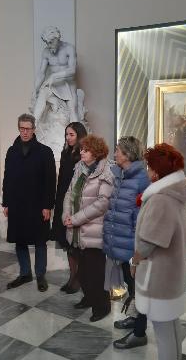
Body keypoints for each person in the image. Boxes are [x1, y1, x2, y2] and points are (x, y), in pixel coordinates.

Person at [131, 143, 186, 360]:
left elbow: (148, 242)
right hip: (172, 274)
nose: (147, 171)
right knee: (172, 327)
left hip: (159, 277)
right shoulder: (175, 195)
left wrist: (135, 260)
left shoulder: (161, 199)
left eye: (149, 167)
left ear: (156, 171)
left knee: (164, 333)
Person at [102, 136, 151, 349]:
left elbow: (141, 219)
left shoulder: (141, 179)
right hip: (121, 242)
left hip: (131, 245)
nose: (115, 154)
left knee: (139, 289)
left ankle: (139, 333)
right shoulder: (122, 175)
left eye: (118, 151)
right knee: (132, 288)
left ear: (128, 154)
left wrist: (136, 251)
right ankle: (134, 318)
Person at [2, 114, 56, 292]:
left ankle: (40, 275)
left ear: (34, 129)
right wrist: (6, 203)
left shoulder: (45, 152)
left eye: (28, 128)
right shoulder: (12, 151)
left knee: (40, 241)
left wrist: (48, 205)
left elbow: (50, 181)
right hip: (17, 204)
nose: (24, 132)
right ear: (19, 129)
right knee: (20, 240)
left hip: (38, 204)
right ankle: (25, 273)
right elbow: (7, 178)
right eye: (22, 128)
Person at [62, 135, 114, 322]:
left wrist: (75, 219)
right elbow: (69, 193)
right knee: (82, 272)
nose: (81, 152)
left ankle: (102, 306)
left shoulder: (106, 172)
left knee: (95, 273)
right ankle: (88, 298)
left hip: (93, 231)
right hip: (76, 230)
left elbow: (102, 204)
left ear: (96, 152)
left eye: (85, 149)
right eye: (81, 149)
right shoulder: (79, 168)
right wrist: (66, 215)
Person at [51, 122, 88, 294]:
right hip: (63, 201)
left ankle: (78, 278)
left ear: (80, 135)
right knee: (67, 243)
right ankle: (72, 277)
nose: (68, 138)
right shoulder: (65, 152)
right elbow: (62, 179)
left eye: (71, 134)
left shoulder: (84, 155)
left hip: (76, 203)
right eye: (66, 134)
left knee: (76, 244)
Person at [30, 26, 79, 122]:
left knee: (72, 110)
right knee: (42, 94)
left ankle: (77, 135)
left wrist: (54, 76)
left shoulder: (69, 48)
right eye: (47, 43)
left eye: (51, 42)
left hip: (67, 84)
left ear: (57, 38)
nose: (49, 45)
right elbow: (41, 73)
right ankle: (33, 125)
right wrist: (35, 90)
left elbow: (72, 70)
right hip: (53, 85)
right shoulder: (46, 52)